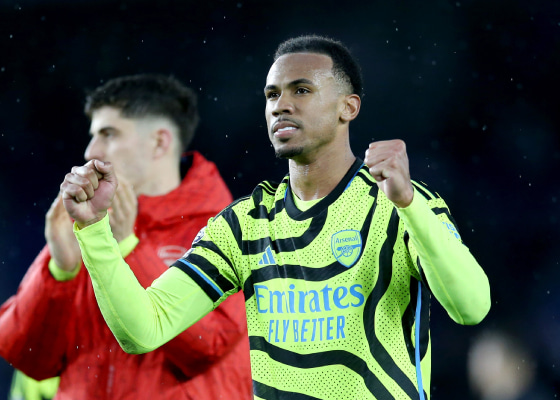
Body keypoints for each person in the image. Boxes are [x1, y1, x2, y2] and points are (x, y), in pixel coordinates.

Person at [60, 36, 491, 399]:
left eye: (301, 90)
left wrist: (409, 204)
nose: (280, 105)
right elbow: (143, 329)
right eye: (272, 95)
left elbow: (471, 307)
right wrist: (94, 231)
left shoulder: (399, 204)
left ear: (348, 107)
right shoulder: (244, 225)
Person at [0, 74, 252, 400]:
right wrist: (59, 271)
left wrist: (128, 248)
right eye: (93, 136)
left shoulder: (228, 231)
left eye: (108, 134)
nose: (90, 151)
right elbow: (27, 358)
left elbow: (207, 347)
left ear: (159, 143)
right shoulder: (87, 227)